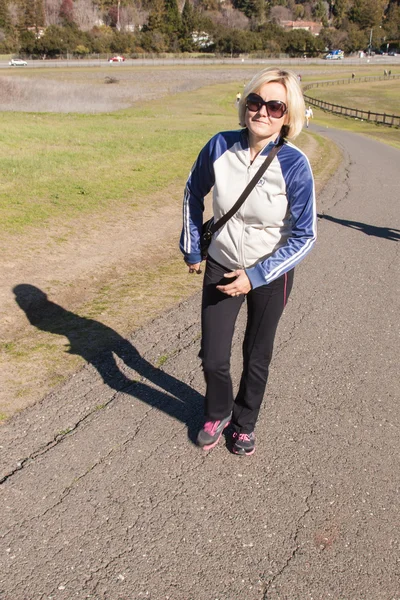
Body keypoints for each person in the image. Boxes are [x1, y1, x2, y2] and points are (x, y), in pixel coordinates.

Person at [179, 67, 316, 456]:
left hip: (271, 272)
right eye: (255, 102)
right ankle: (218, 411)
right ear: (244, 105)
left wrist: (255, 276)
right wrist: (192, 249)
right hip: (222, 262)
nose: (263, 112)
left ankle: (244, 422)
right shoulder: (219, 146)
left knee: (257, 354)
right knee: (213, 354)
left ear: (287, 116)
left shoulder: (294, 164)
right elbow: (192, 194)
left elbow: (306, 236)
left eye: (275, 106)